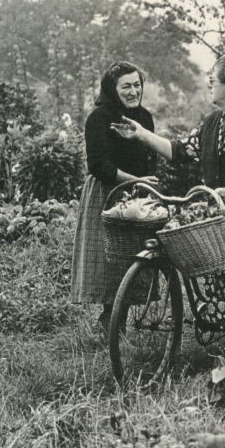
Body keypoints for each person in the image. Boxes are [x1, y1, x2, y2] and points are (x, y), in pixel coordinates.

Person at [111, 53, 225, 371]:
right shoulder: (213, 123)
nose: (209, 83)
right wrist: (141, 135)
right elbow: (181, 150)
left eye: (214, 79)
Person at [71, 61, 158, 330]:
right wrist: (135, 180)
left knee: (135, 256)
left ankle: (118, 317)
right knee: (109, 259)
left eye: (137, 85)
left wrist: (146, 184)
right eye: (126, 86)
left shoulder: (144, 118)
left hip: (137, 194)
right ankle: (109, 321)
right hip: (107, 193)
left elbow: (150, 154)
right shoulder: (99, 118)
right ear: (112, 89)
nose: (133, 91)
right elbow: (98, 165)